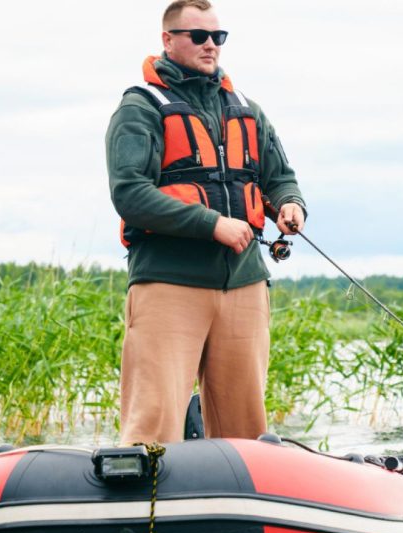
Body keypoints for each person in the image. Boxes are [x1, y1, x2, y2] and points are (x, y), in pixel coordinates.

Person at [106, 0, 306, 444]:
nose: (211, 45)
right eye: (199, 36)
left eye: (219, 37)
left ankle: (239, 506)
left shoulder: (247, 110)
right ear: (168, 40)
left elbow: (280, 179)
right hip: (169, 282)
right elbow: (130, 194)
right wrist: (211, 223)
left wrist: (290, 205)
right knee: (152, 425)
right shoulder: (141, 108)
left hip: (244, 284)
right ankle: (143, 504)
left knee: (246, 431)